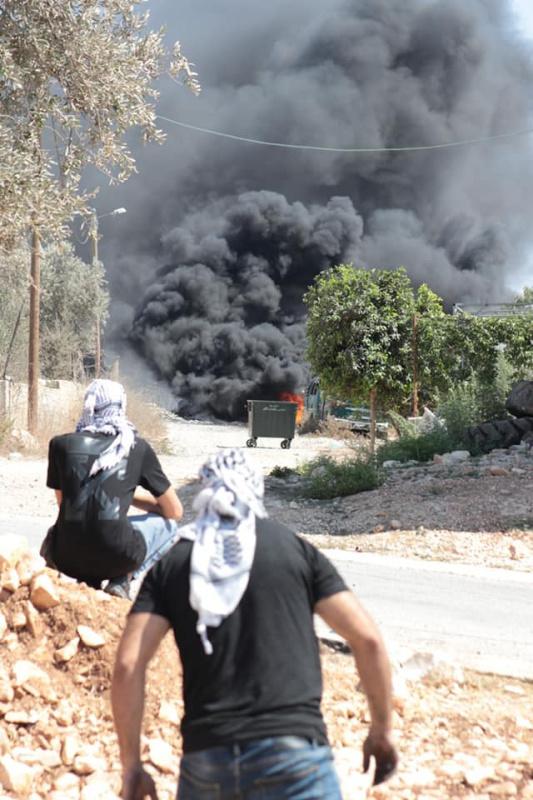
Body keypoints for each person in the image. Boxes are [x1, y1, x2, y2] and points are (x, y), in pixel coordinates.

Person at [112, 448, 398, 799]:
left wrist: (132, 767)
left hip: (208, 760)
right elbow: (368, 639)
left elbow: (128, 664)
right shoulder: (294, 550)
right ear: (256, 489)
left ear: (204, 491)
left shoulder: (175, 562)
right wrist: (381, 730)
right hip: (294, 757)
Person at [42, 379, 183, 599]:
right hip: (118, 557)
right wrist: (127, 495)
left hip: (66, 558)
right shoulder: (135, 447)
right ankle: (121, 580)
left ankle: (88, 581)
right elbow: (175, 511)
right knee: (169, 526)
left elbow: (64, 505)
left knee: (65, 527)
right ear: (121, 405)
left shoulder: (60, 445)